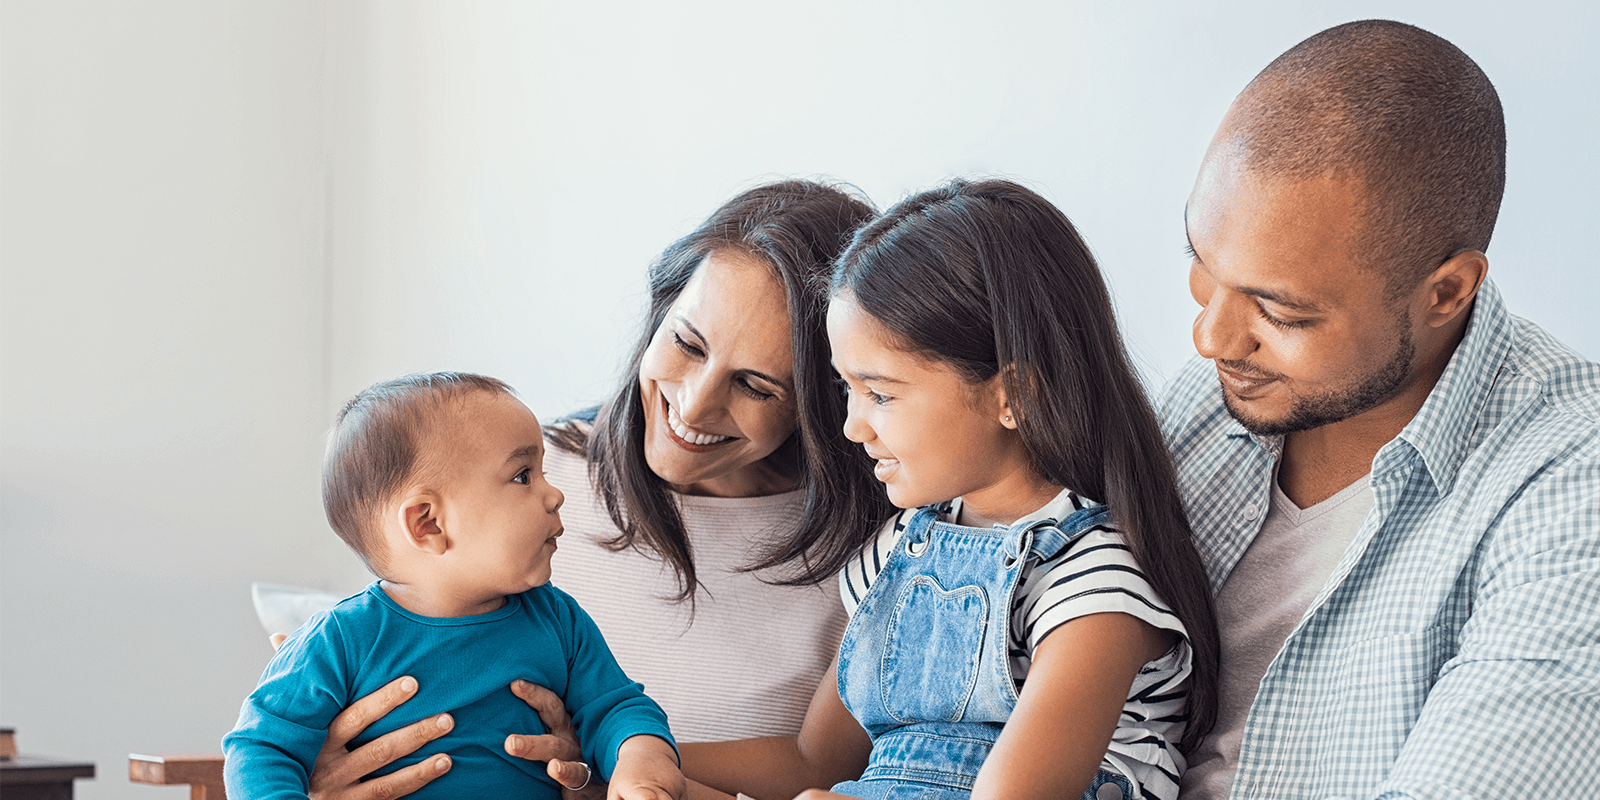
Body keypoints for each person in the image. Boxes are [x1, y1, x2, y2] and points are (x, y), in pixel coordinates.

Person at [295, 182, 895, 799]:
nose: (693, 403)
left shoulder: (883, 545)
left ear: (826, 399)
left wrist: (614, 748)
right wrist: (320, 769)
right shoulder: (518, 474)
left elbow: (820, 770)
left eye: (756, 386)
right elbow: (376, 667)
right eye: (687, 343)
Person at [1165, 20, 1600, 799]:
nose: (1212, 338)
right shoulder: (1212, 400)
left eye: (1282, 312)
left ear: (1445, 293)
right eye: (1202, 264)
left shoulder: (1574, 484)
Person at [680, 180, 1220, 800]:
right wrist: (636, 759)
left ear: (1014, 395)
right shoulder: (899, 551)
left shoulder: (1094, 582)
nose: (853, 426)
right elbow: (814, 763)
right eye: (846, 389)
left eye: (880, 393)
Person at [224, 372, 683, 800]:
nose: (554, 494)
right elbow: (260, 748)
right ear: (428, 523)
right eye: (523, 476)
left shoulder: (559, 621)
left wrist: (641, 758)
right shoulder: (339, 640)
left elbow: (617, 707)